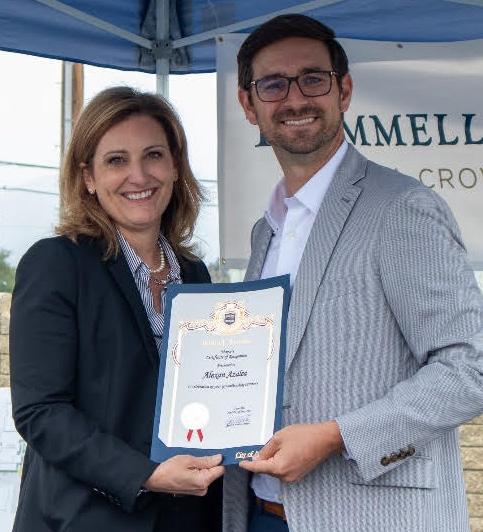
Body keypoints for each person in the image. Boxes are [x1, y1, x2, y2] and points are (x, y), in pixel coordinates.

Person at [223, 13, 483, 532]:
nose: (295, 98)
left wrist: (337, 436)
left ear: (343, 90)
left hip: (372, 517)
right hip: (260, 513)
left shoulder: (403, 208)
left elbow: (470, 366)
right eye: (273, 84)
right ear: (249, 105)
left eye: (312, 79)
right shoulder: (264, 231)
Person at [9, 86, 223, 532]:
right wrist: (145, 475)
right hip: (84, 519)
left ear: (175, 165)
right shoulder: (57, 264)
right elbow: (41, 412)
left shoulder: (194, 273)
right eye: (116, 160)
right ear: (88, 177)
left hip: (188, 518)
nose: (138, 176)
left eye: (153, 155)